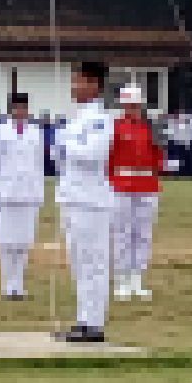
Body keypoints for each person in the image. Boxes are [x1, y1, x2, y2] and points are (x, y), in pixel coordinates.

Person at [53, 60, 115, 343]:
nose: (74, 87)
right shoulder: (76, 118)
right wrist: (62, 147)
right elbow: (60, 156)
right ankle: (83, 319)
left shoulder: (101, 119)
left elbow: (95, 154)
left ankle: (95, 323)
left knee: (93, 262)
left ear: (94, 85)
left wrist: (66, 144)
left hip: (92, 200)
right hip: (72, 196)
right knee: (79, 262)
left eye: (79, 81)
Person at [107, 84, 167, 301]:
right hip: (121, 184)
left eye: (136, 106)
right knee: (122, 232)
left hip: (147, 184)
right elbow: (109, 157)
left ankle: (137, 279)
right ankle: (122, 279)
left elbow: (159, 154)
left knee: (143, 234)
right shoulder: (114, 127)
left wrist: (158, 169)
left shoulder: (152, 127)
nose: (132, 109)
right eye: (129, 106)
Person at [0, 92, 45, 301]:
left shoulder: (36, 132)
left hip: (28, 192)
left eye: (24, 108)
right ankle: (7, 284)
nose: (20, 112)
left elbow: (39, 164)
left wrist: (39, 193)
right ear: (10, 109)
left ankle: (19, 283)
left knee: (24, 241)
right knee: (6, 241)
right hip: (6, 192)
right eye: (17, 108)